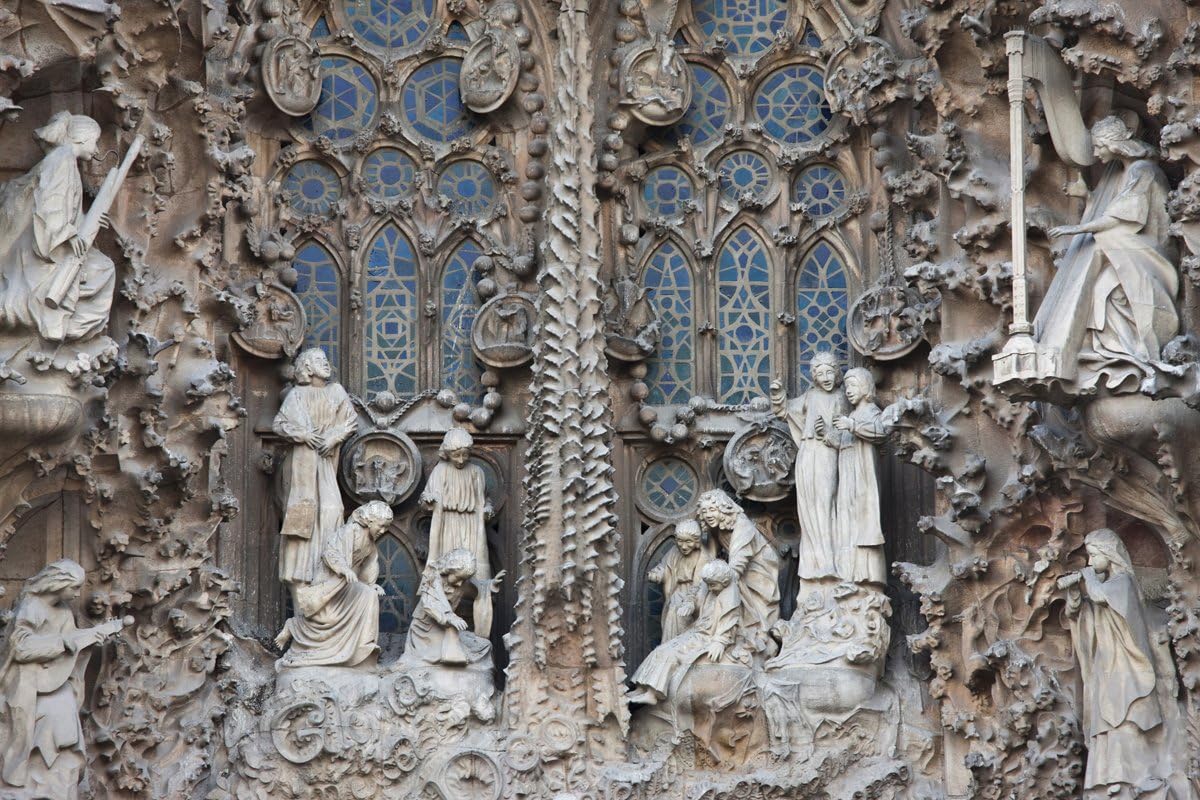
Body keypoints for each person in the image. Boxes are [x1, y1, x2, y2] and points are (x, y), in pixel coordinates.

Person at [1040, 116, 1179, 393]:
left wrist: (1077, 228)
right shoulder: (1126, 172)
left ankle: (1140, 353)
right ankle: (1119, 355)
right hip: (1129, 247)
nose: (1095, 153)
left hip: (1151, 250)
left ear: (1113, 145)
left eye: (1098, 146)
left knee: (1103, 244)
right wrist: (1088, 197)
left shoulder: (1143, 170)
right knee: (1103, 290)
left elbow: (1121, 218)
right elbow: (1116, 212)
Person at [1060, 529, 1171, 796]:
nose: (1090, 562)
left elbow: (1101, 596)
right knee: (1106, 719)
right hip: (1104, 662)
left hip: (1126, 664)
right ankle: (1108, 778)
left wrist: (1086, 579)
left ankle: (1135, 775)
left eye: (1094, 555)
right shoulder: (1103, 586)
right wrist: (1075, 597)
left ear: (1110, 555)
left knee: (1126, 715)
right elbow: (1081, 616)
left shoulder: (1124, 583)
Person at [0, 560, 125, 797]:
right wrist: (61, 643)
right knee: (44, 716)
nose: (78, 594)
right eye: (74, 588)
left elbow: (71, 641)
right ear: (58, 584)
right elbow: (20, 649)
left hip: (53, 682)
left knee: (64, 713)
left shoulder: (64, 611)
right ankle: (26, 781)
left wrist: (89, 638)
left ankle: (54, 782)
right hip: (23, 681)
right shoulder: (31, 607)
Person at [0, 112, 115, 342]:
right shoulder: (62, 158)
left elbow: (67, 211)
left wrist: (89, 222)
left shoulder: (65, 161)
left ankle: (65, 327)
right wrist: (68, 235)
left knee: (103, 267)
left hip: (53, 238)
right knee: (103, 268)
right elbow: (50, 206)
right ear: (82, 139)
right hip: (42, 245)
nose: (96, 151)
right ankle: (63, 325)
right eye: (95, 142)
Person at [272, 348, 358, 589]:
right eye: (320, 360)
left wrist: (334, 436)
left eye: (326, 359)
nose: (326, 364)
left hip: (325, 461)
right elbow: (279, 425)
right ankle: (301, 576)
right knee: (303, 515)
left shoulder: (336, 391)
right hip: (302, 464)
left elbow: (351, 421)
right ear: (307, 368)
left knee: (332, 509)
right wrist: (302, 434)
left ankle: (329, 569)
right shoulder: (297, 395)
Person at [274, 501, 393, 670]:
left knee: (369, 595)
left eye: (385, 528)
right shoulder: (351, 531)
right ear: (370, 521)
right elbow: (331, 552)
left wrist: (371, 585)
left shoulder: (371, 544)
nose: (383, 531)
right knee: (326, 618)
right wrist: (344, 569)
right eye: (381, 526)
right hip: (331, 581)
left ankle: (364, 646)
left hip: (349, 584)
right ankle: (293, 626)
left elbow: (369, 567)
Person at [770, 352, 850, 582]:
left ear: (837, 374)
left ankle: (830, 561)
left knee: (825, 504)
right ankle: (813, 562)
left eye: (830, 372)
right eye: (820, 373)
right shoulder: (810, 396)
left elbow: (846, 432)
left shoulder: (841, 398)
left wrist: (828, 433)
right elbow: (784, 411)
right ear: (813, 377)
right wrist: (777, 394)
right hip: (807, 453)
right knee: (808, 508)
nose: (825, 377)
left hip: (827, 453)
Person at [627, 559, 742, 706]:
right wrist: (689, 604)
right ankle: (642, 687)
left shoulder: (730, 596)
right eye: (709, 585)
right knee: (660, 650)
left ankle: (652, 694)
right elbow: (694, 592)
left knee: (670, 654)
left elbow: (729, 622)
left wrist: (720, 642)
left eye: (713, 585)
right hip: (696, 630)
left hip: (705, 638)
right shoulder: (709, 583)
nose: (710, 588)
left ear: (725, 582)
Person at [421, 428, 496, 636]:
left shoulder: (476, 472)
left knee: (477, 576)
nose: (461, 459)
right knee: (449, 573)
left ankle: (479, 633)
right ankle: (441, 628)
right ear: (447, 453)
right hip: (448, 526)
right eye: (456, 454)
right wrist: (428, 500)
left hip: (472, 526)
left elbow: (485, 498)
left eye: (465, 454)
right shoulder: (441, 471)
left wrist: (487, 508)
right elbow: (427, 495)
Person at [695, 489, 779, 656]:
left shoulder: (743, 526)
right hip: (736, 568)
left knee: (758, 610)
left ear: (723, 509)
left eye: (712, 509)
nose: (708, 515)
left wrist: (720, 578)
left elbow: (737, 566)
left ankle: (756, 639)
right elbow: (710, 555)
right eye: (704, 511)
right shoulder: (715, 526)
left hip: (758, 570)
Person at [830, 368, 890, 585]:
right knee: (847, 522)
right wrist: (829, 437)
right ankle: (849, 574)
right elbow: (846, 445)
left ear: (865, 387)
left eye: (853, 386)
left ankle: (867, 576)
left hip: (863, 477)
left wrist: (852, 426)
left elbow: (881, 431)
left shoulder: (872, 412)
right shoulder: (853, 416)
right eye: (846, 387)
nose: (848, 392)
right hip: (847, 477)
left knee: (862, 523)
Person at [401, 548, 494, 669]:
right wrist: (450, 618)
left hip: (448, 630)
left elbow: (476, 587)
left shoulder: (462, 580)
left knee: (484, 646)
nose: (460, 584)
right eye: (458, 578)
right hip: (424, 632)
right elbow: (431, 605)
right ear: (449, 570)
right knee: (453, 654)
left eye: (463, 580)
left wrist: (490, 585)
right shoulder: (432, 579)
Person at [648, 520, 715, 641]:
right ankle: (670, 646)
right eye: (680, 541)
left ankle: (679, 649)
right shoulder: (674, 551)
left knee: (679, 614)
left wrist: (691, 601)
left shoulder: (703, 556)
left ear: (696, 541)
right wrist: (658, 574)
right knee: (673, 612)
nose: (683, 546)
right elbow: (665, 567)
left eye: (688, 541)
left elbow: (701, 583)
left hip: (696, 594)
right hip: (676, 591)